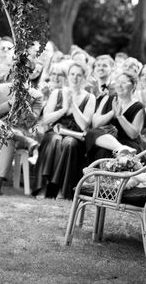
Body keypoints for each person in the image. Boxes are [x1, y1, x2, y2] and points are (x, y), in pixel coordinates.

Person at [33, 61, 95, 199]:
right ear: (68, 76)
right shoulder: (57, 93)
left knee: (69, 143)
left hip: (76, 136)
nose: (75, 78)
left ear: (84, 78)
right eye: (72, 74)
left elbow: (85, 125)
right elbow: (46, 119)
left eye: (79, 75)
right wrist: (63, 110)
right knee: (54, 140)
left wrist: (73, 105)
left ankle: (62, 189)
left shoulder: (89, 97)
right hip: (55, 130)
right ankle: (45, 187)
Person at [0, 64, 43, 195]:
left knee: (8, 137)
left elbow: (32, 123)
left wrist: (26, 107)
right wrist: (10, 103)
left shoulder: (36, 95)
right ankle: (21, 138)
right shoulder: (0, 88)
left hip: (15, 136)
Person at [85, 71, 144, 162]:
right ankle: (121, 149)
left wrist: (120, 116)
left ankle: (124, 151)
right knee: (92, 133)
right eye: (118, 82)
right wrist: (112, 112)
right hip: (106, 141)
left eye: (124, 83)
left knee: (105, 152)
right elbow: (95, 124)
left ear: (134, 85)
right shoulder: (108, 98)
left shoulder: (138, 106)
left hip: (128, 143)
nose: (120, 86)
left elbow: (133, 134)